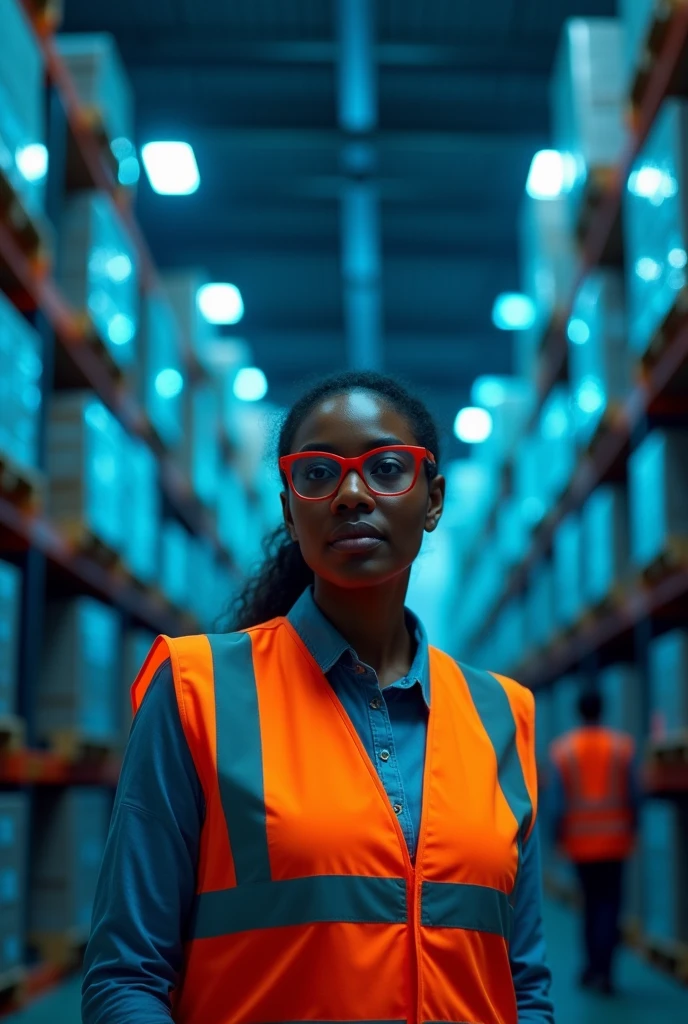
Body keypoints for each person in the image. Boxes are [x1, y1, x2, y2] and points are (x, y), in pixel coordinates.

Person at [82, 371, 554, 1024]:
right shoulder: (197, 690)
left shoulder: (504, 714)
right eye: (318, 474)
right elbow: (125, 976)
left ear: (433, 498)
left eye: (387, 468)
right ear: (289, 507)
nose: (353, 494)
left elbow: (523, 982)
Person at [549, 689, 639, 996]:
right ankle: (606, 971)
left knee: (588, 906)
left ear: (578, 711)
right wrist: (633, 830)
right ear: (604, 709)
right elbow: (633, 795)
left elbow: (557, 804)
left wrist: (556, 837)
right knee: (610, 906)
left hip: (581, 845)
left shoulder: (564, 751)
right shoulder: (622, 747)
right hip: (615, 842)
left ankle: (591, 968)